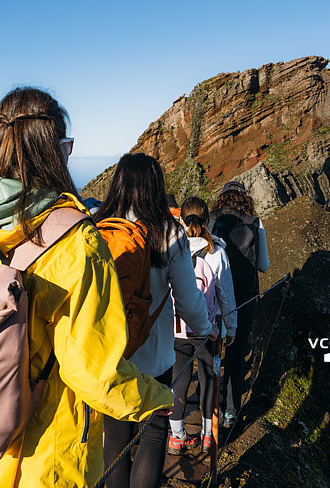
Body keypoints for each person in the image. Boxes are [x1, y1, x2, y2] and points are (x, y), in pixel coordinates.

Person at [0, 88, 174, 488]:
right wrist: (157, 397)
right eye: (66, 146)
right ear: (54, 151)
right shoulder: (77, 242)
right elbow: (92, 372)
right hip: (49, 452)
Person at [94, 153, 217, 488]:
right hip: (156, 356)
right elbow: (188, 300)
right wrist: (206, 330)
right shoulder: (169, 232)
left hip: (110, 353)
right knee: (152, 434)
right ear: (155, 186)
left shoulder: (98, 226)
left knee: (116, 440)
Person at [167, 196, 237, 455]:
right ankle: (209, 435)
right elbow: (226, 295)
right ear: (208, 220)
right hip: (210, 329)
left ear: (181, 219)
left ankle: (177, 436)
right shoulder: (216, 252)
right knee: (209, 379)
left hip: (177, 327)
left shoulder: (172, 248)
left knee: (179, 379)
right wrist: (231, 328)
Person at [207, 181, 269, 429]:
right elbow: (263, 266)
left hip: (213, 296)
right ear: (245, 198)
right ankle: (230, 411)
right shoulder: (255, 222)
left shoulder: (210, 219)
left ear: (222, 198)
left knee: (211, 351)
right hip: (244, 296)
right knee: (237, 352)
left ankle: (209, 408)